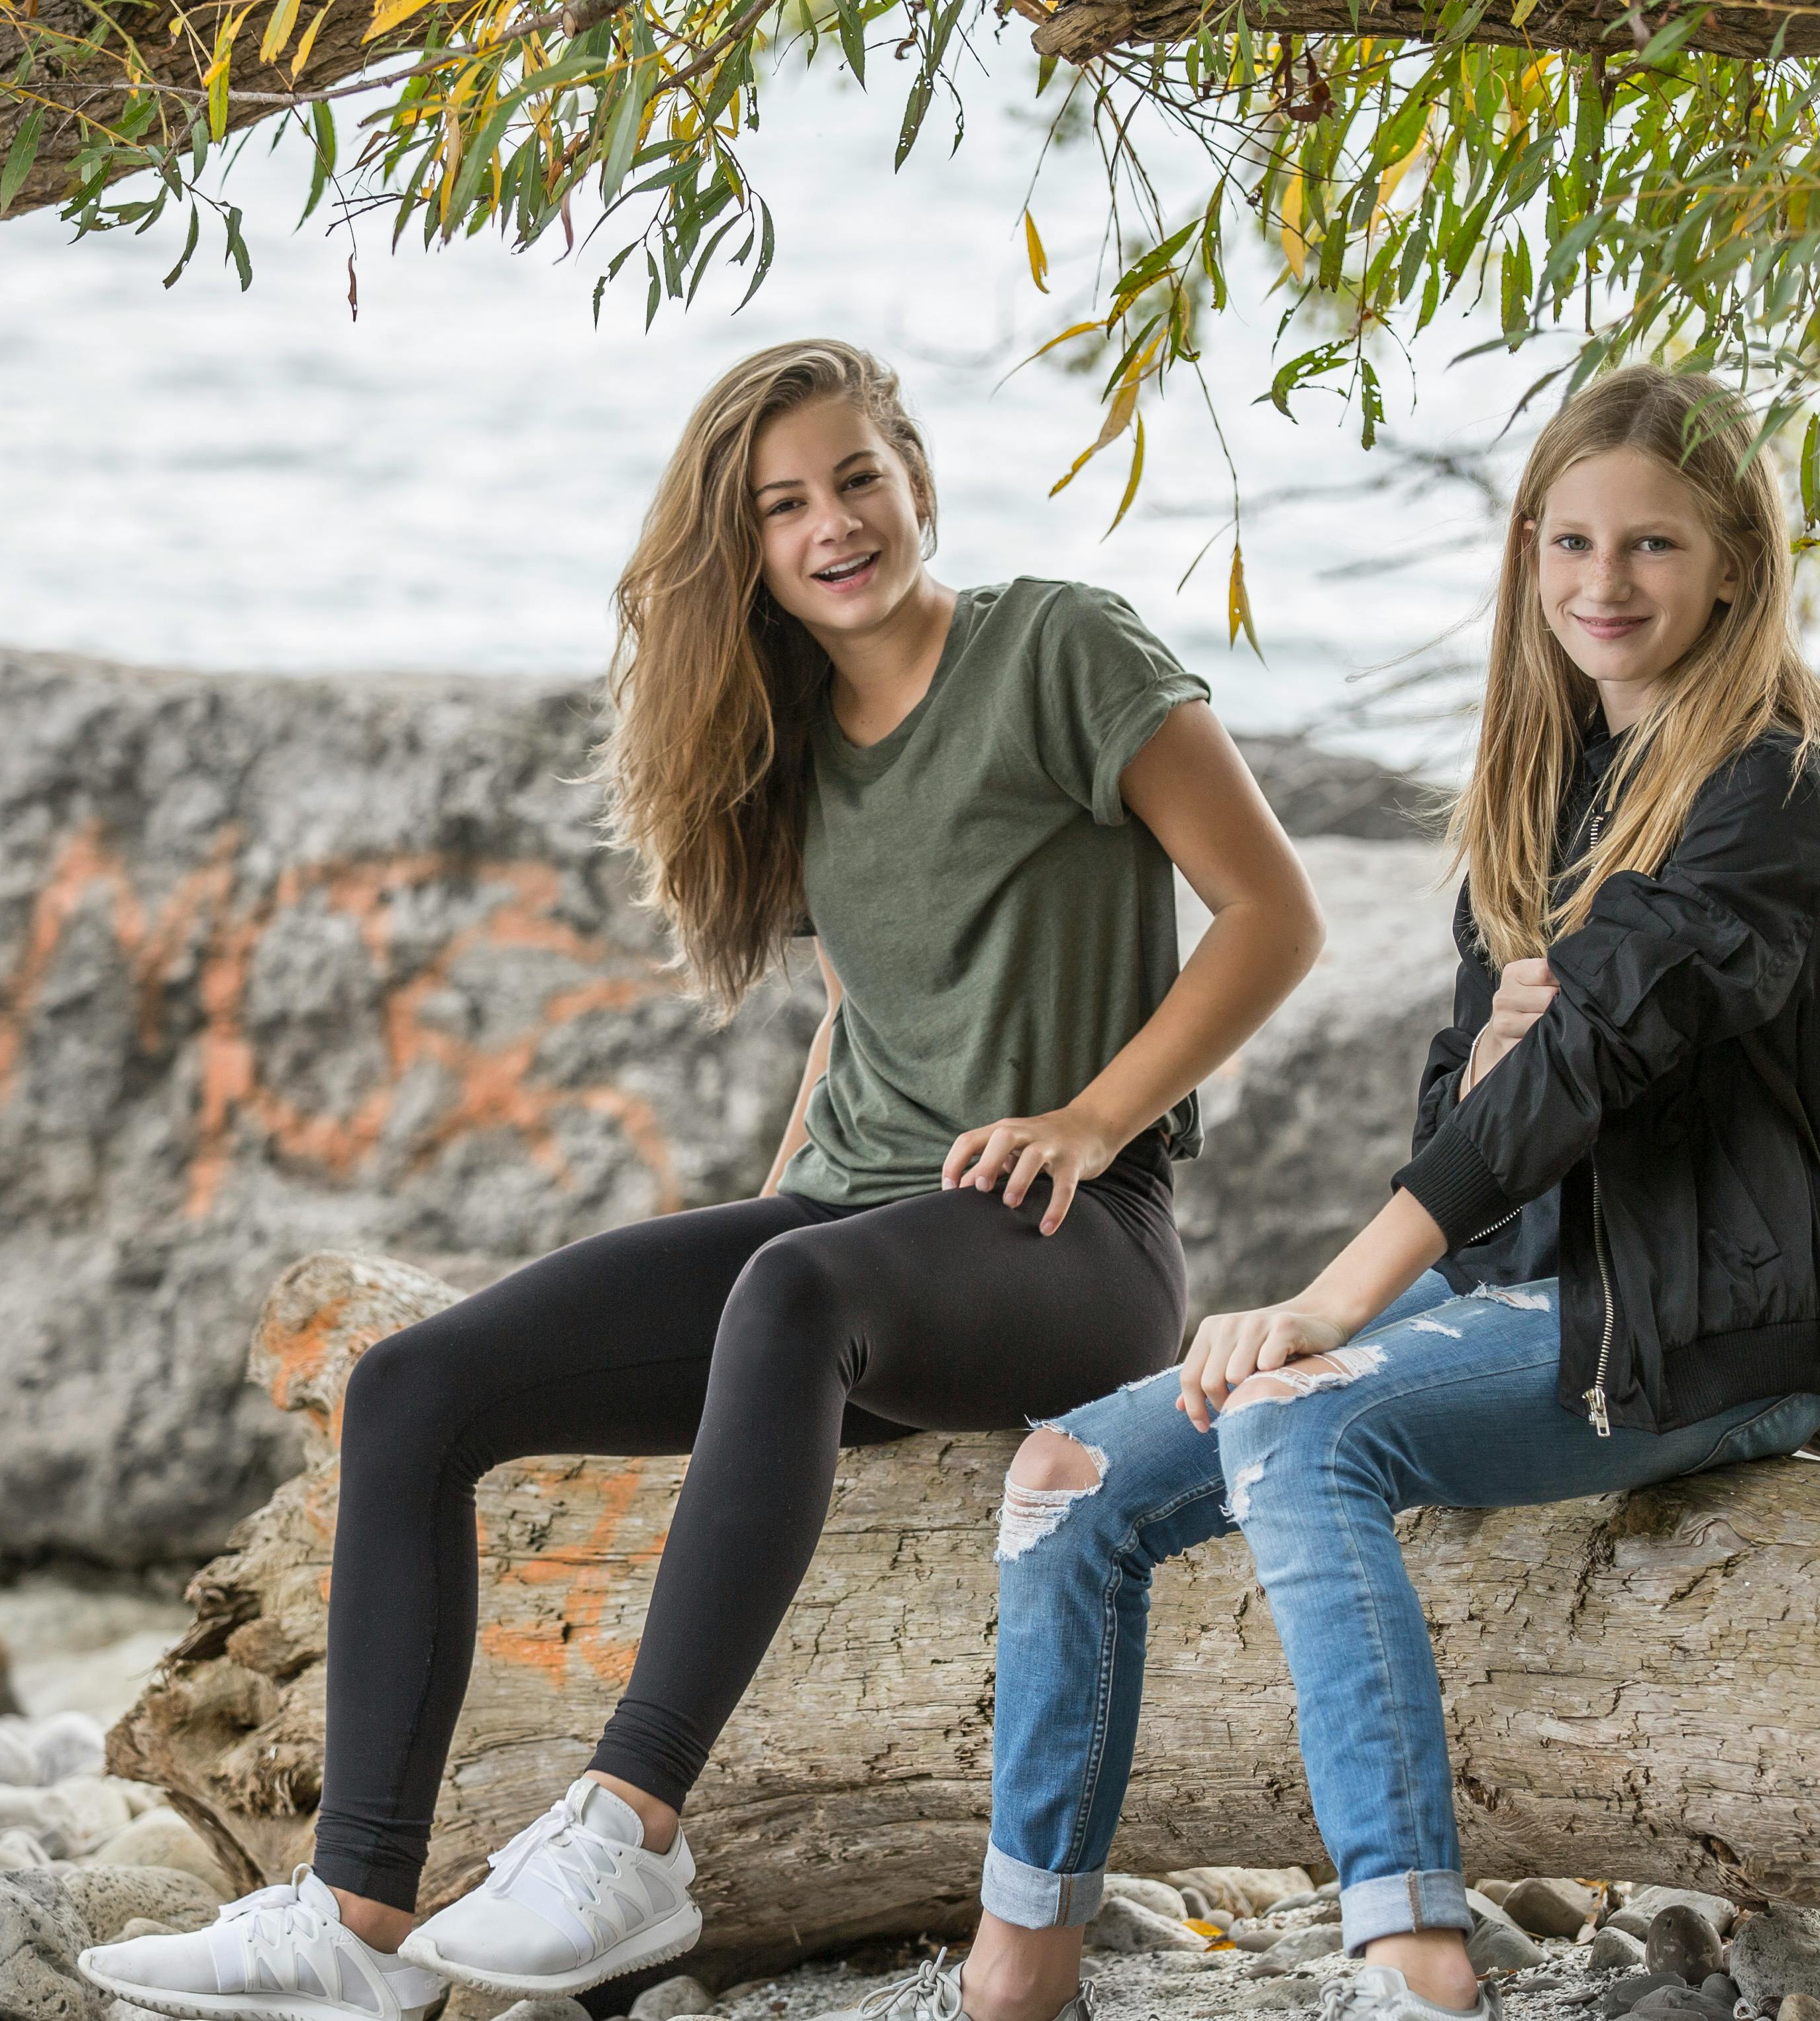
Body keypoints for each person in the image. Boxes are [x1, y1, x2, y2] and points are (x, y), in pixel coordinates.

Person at [78, 337, 1326, 2021]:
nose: (832, 526)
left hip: (1070, 1241)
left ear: (918, 482)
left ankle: (627, 1830)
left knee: (791, 1285)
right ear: (740, 549)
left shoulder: (1060, 649)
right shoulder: (794, 729)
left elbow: (1272, 915)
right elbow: (864, 1002)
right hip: (847, 1250)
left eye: (855, 481)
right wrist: (763, 1214)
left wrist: (1092, 1119)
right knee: (414, 1383)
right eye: (781, 507)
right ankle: (350, 1916)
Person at [873, 364, 1820, 2021]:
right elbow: (1472, 1100)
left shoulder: (1775, 785)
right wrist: (1493, 1063)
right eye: (1566, 539)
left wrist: (1336, 1298)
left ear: (1732, 566)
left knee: (1296, 1418)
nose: (1600, 583)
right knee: (1064, 1473)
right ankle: (1017, 1972)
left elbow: (1591, 1067)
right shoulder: (1545, 774)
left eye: (1649, 546)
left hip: (1710, 1323)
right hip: (1531, 1280)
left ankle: (1413, 1964)